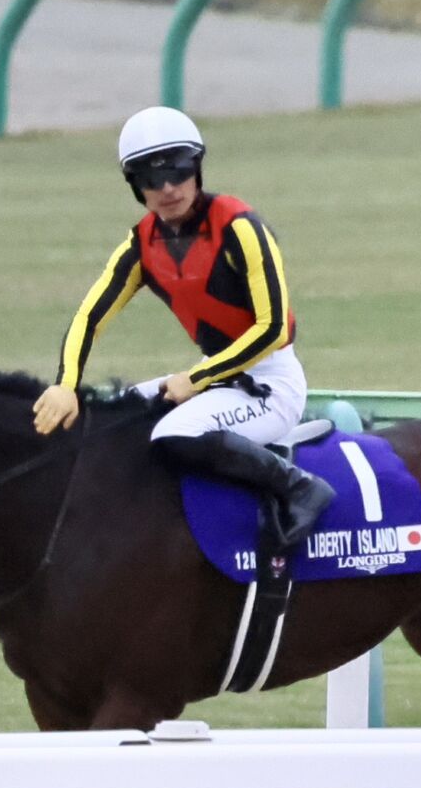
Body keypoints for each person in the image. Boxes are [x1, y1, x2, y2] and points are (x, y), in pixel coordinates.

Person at [32, 106, 335, 548]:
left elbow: (272, 329)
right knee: (113, 416)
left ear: (197, 168)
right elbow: (89, 317)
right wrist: (65, 385)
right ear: (136, 186)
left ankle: (300, 487)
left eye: (178, 171)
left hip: (272, 384)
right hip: (219, 380)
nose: (168, 188)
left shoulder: (240, 227)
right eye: (151, 179)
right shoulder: (140, 245)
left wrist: (198, 378)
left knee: (174, 433)